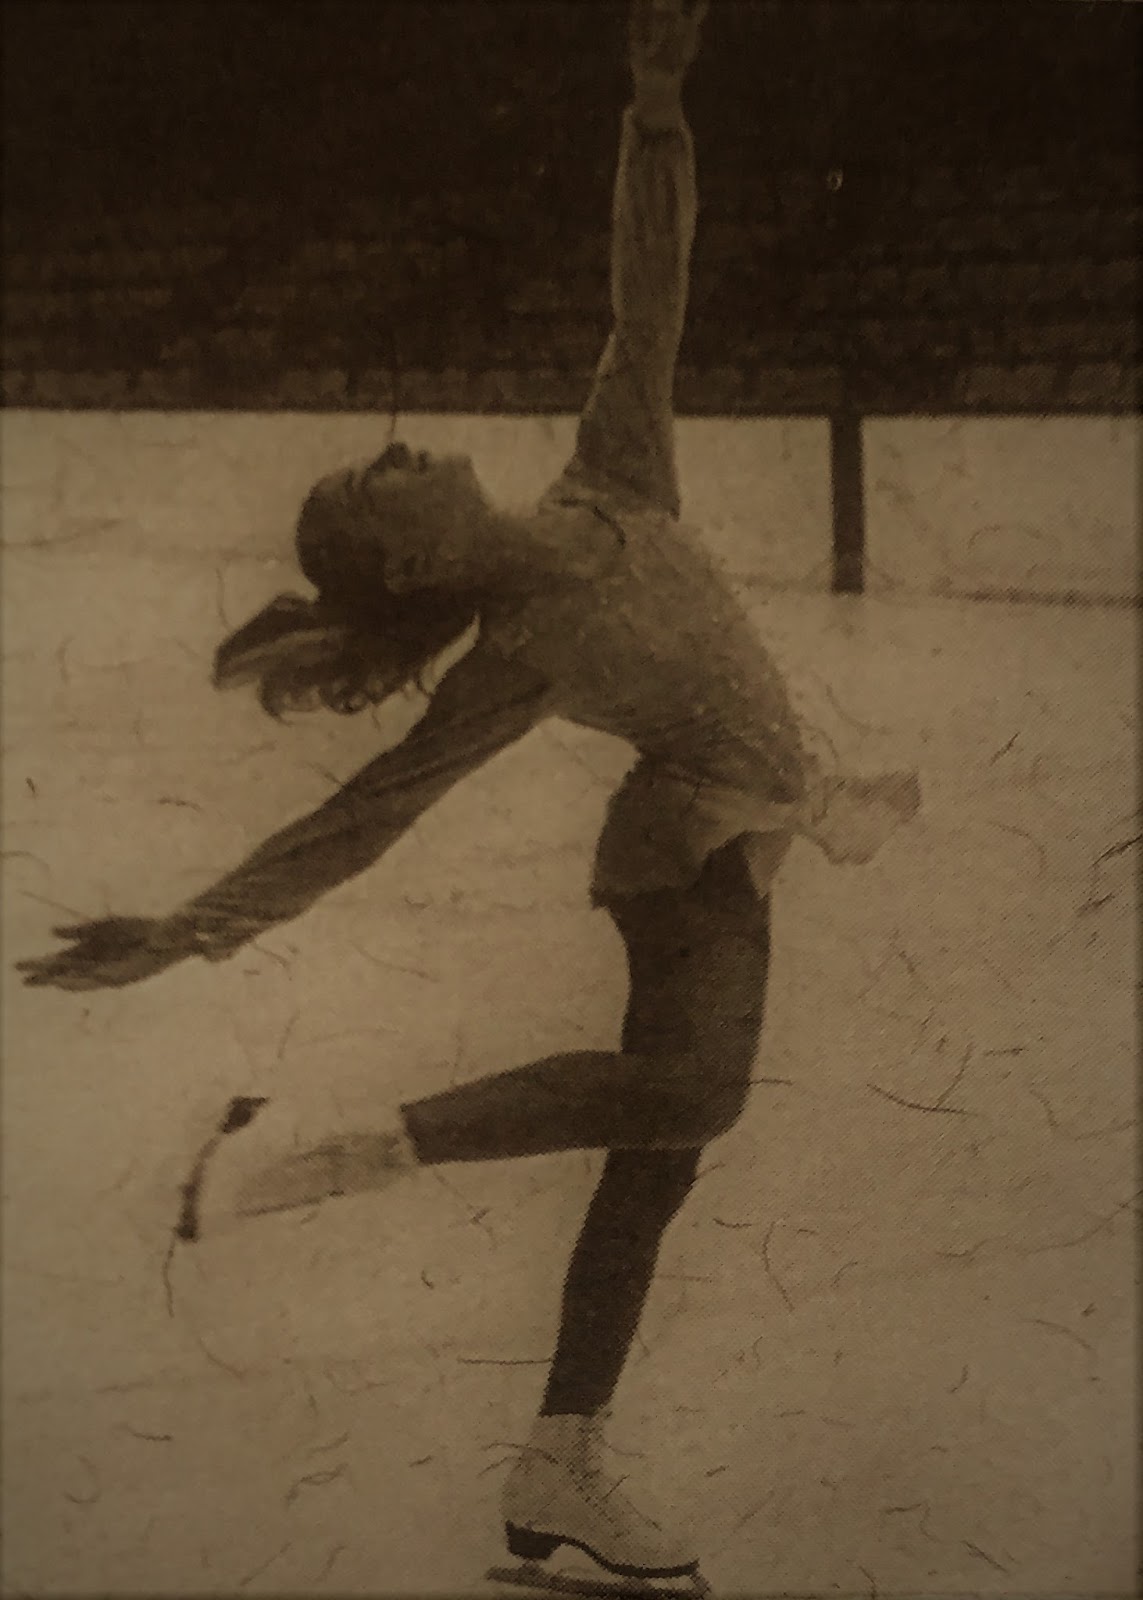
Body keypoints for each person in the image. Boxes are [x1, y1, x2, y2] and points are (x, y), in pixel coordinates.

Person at [18, 0, 919, 1582]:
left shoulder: (615, 472)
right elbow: (356, 819)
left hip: (745, 840)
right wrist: (186, 930)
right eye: (386, 475)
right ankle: (312, 1150)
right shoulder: (516, 653)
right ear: (416, 552)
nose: (409, 449)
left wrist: (655, 107)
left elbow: (654, 288)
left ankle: (559, 1466)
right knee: (694, 1098)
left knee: (661, 1163)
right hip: (683, 858)